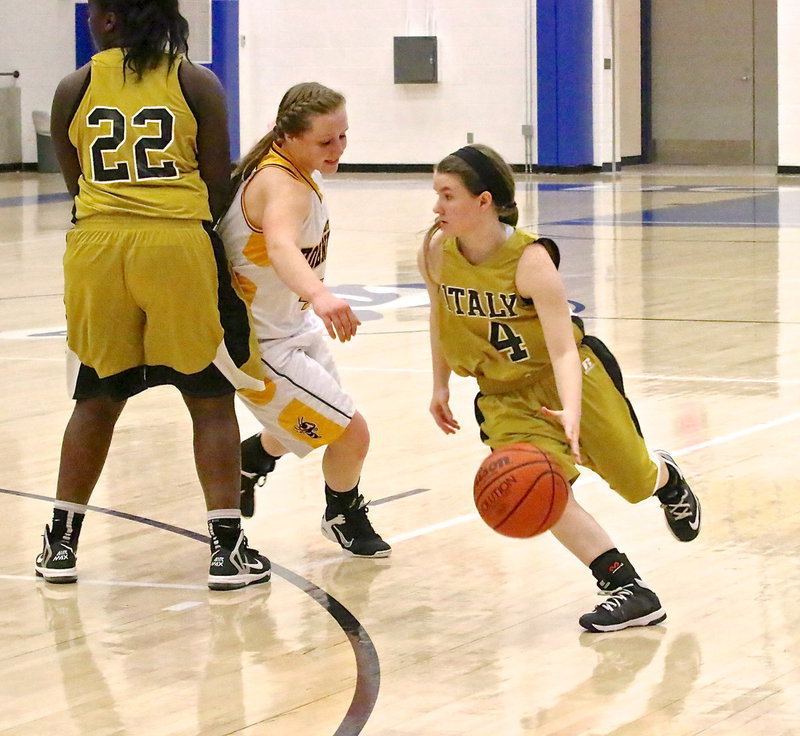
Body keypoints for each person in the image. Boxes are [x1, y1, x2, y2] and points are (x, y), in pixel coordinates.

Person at [35, 0, 271, 591]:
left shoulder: (75, 86)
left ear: (112, 20)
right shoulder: (196, 81)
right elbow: (218, 185)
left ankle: (61, 543)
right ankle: (225, 551)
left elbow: (75, 180)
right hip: (175, 247)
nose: (89, 19)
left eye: (94, 11)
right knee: (210, 398)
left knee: (95, 399)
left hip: (96, 246)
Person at [417, 144, 701, 632]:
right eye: (436, 195)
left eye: (448, 195)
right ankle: (625, 587)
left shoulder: (529, 260)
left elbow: (565, 350)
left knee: (633, 480)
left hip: (572, 379)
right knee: (541, 486)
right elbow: (441, 317)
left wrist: (570, 410)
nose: (436, 207)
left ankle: (665, 478)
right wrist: (439, 384)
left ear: (484, 201)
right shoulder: (435, 252)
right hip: (503, 395)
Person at [216, 82, 391, 558]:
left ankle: (250, 460)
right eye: (325, 141)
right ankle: (342, 513)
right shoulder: (279, 183)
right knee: (350, 431)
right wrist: (318, 294)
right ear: (289, 136)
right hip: (259, 345)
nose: (338, 149)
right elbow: (279, 246)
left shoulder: (297, 168)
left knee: (321, 419)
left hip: (290, 328)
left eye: (343, 137)